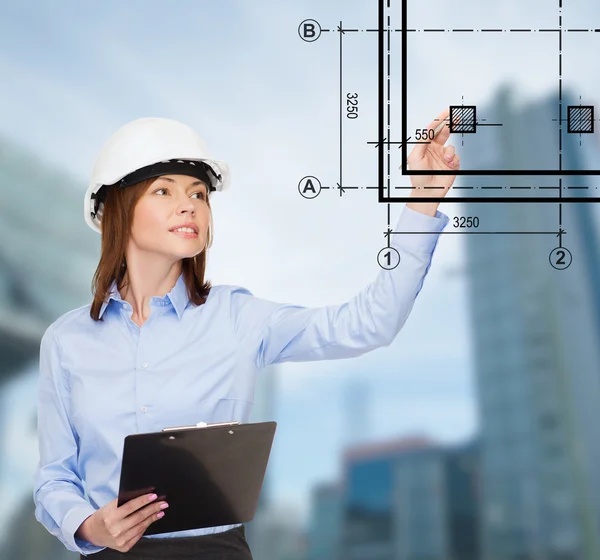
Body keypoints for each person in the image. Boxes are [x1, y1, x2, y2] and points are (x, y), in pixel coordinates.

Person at [32, 108, 460, 559]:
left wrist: (422, 202)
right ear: (118, 208)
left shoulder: (238, 318)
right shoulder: (66, 342)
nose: (189, 205)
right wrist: (89, 524)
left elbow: (369, 323)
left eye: (198, 193)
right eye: (164, 190)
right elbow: (54, 476)